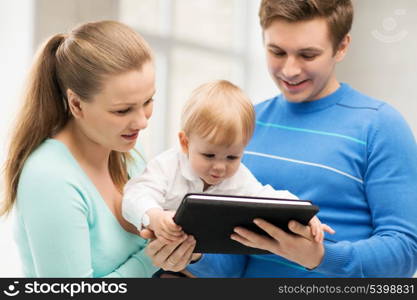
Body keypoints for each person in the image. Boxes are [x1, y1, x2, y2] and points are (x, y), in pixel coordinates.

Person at [146, 0, 417, 277]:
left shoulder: (380, 126)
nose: (289, 70)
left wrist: (320, 256)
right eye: (277, 51)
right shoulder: (246, 124)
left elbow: (407, 251)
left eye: (308, 55)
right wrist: (193, 254)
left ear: (342, 47)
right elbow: (234, 256)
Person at [0, 20, 161, 277]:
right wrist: (152, 259)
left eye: (148, 101)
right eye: (122, 110)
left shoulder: (130, 156)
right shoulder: (50, 178)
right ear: (76, 104)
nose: (142, 121)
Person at [122, 80, 333, 244]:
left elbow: (267, 197)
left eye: (232, 157)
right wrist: (154, 217)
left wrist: (304, 214)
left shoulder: (239, 176)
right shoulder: (167, 166)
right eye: (209, 156)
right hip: (157, 257)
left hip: (200, 259)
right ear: (185, 143)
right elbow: (135, 194)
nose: (220, 167)